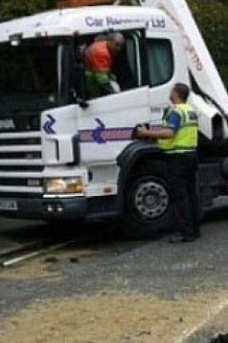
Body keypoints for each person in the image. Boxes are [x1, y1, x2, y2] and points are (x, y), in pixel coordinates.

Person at [136, 83, 200, 243]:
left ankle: (186, 232)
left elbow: (169, 133)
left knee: (180, 196)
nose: (170, 93)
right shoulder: (190, 110)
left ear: (176, 94)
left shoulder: (176, 112)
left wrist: (147, 133)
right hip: (191, 155)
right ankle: (194, 230)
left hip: (177, 157)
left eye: (172, 91)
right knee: (191, 194)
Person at [83, 32, 125, 98]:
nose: (119, 48)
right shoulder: (102, 53)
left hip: (93, 73)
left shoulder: (103, 44)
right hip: (91, 81)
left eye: (120, 46)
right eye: (116, 45)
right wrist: (116, 96)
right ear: (110, 41)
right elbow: (102, 80)